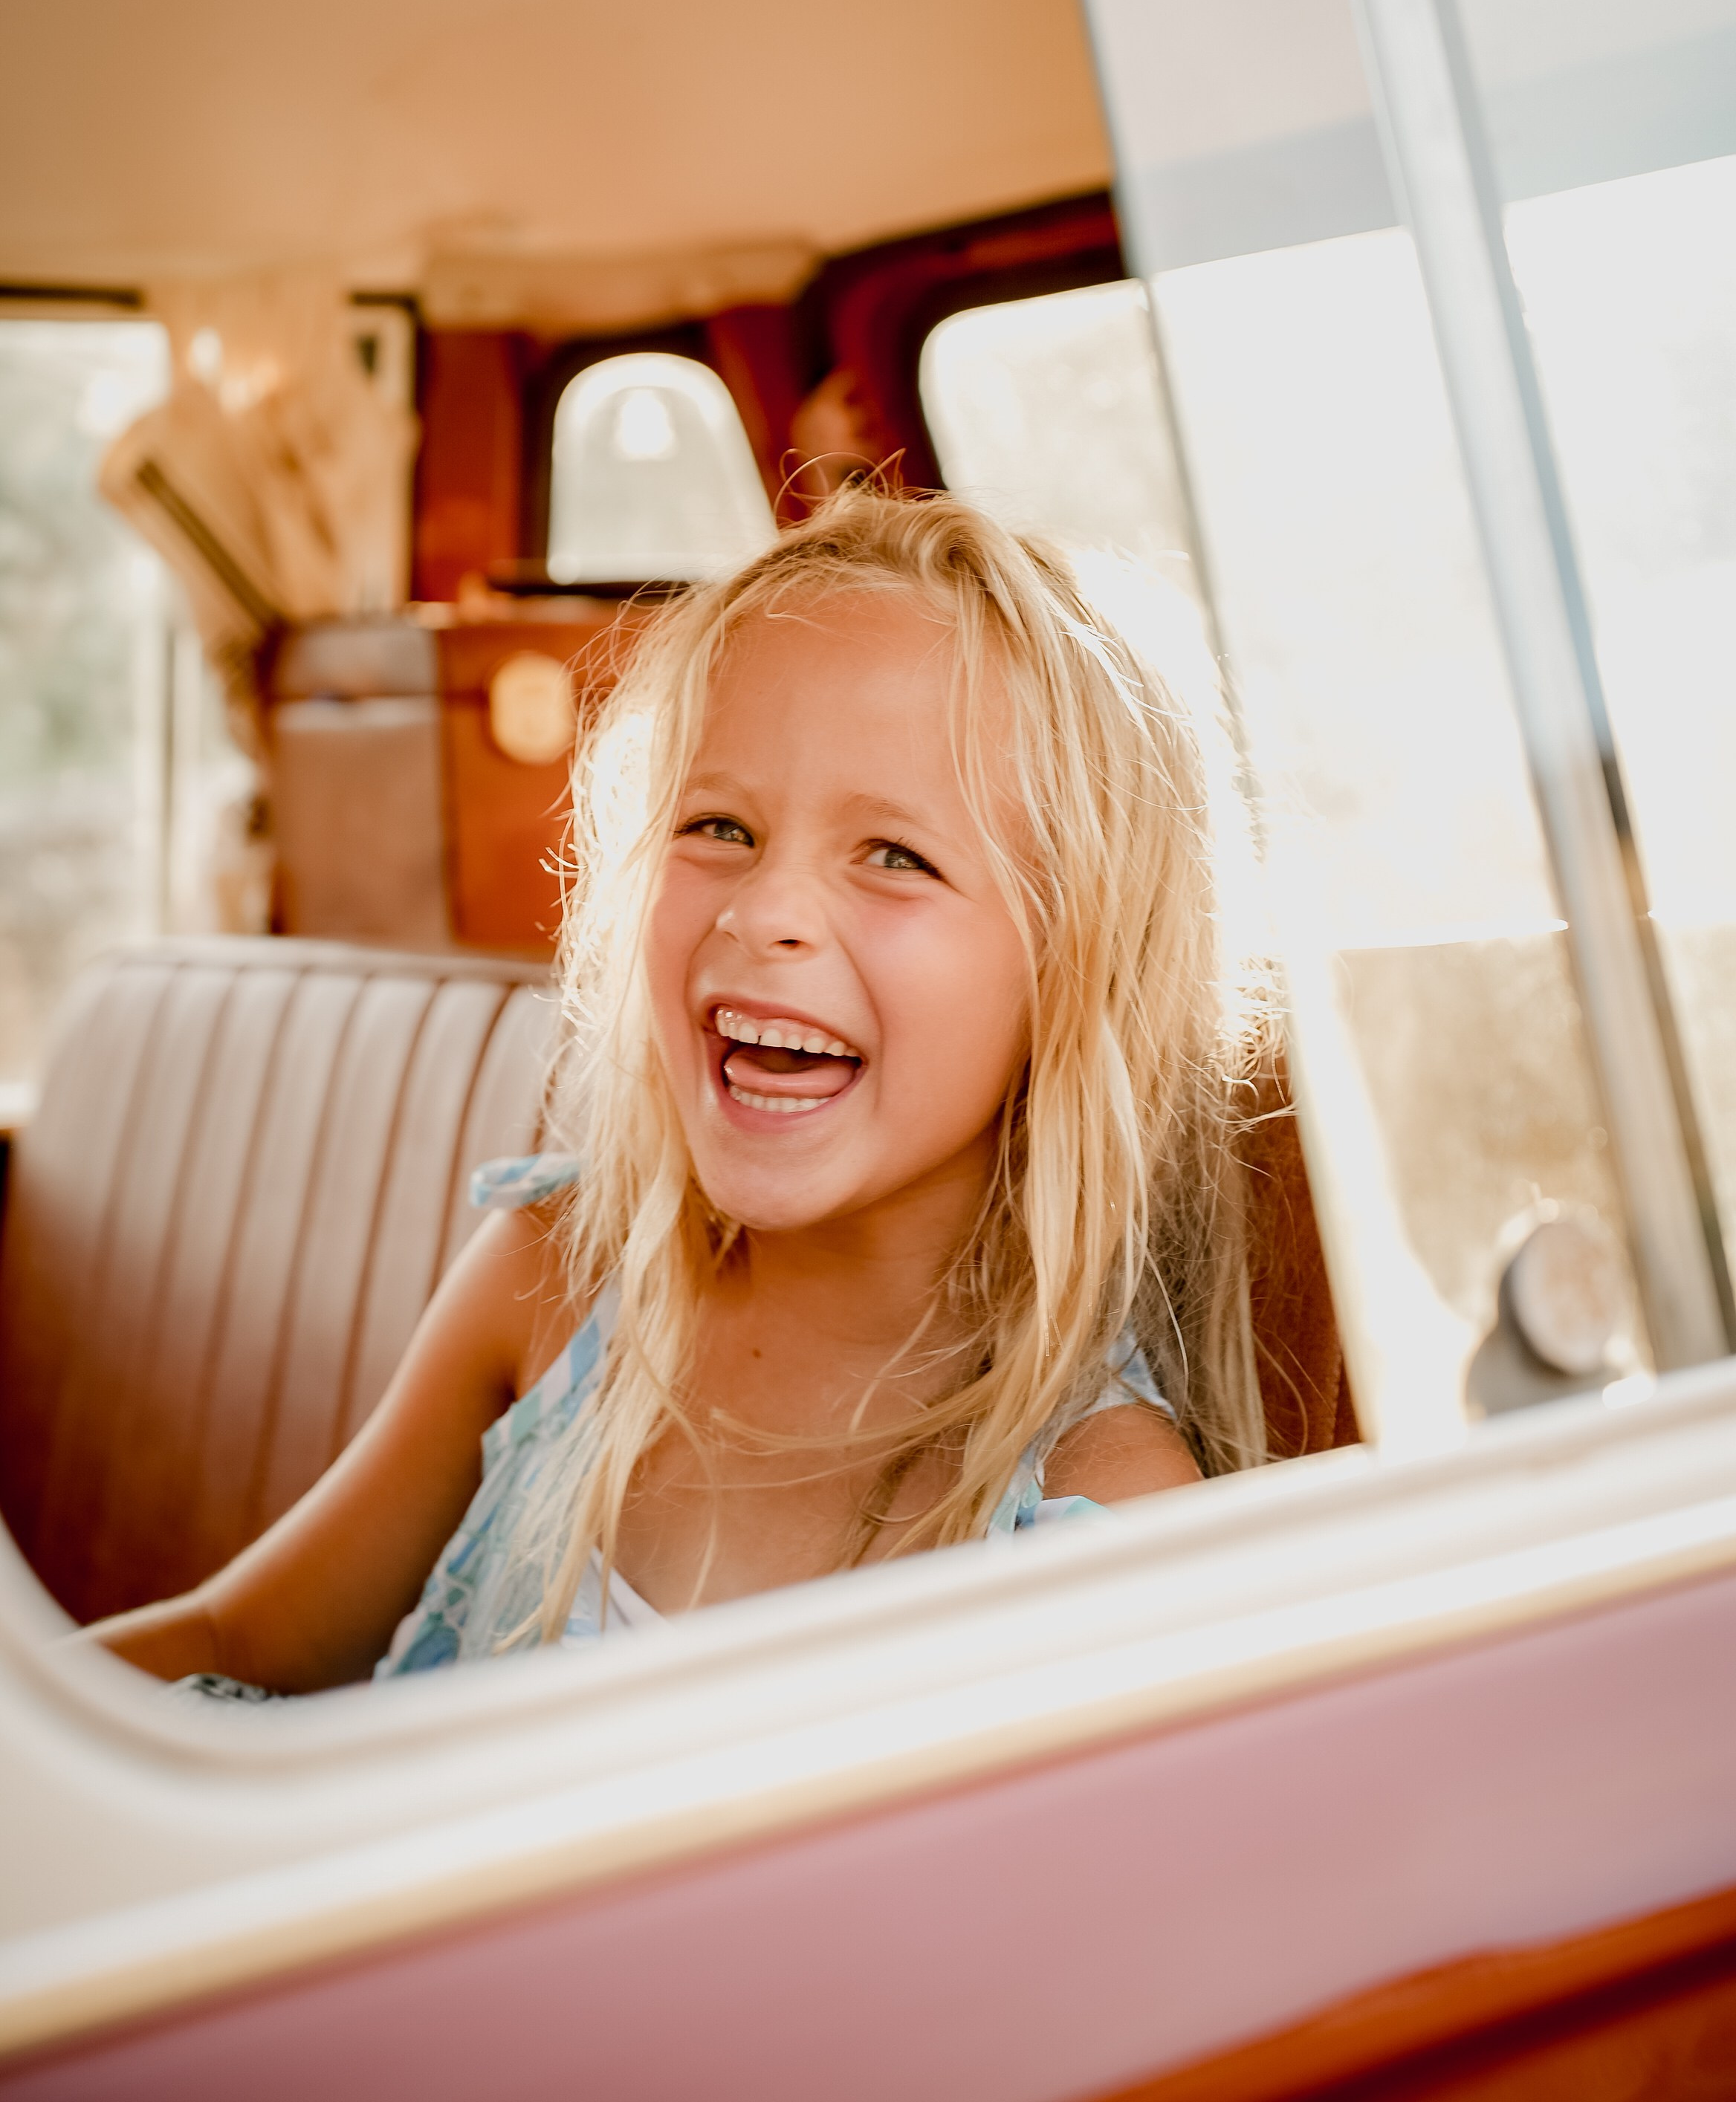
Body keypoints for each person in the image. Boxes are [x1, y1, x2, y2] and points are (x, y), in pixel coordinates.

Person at [82, 489, 1269, 1695]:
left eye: (896, 856)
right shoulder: (558, 1280)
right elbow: (239, 1645)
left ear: (1079, 969)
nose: (761, 912)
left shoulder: (1093, 1505)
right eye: (718, 827)